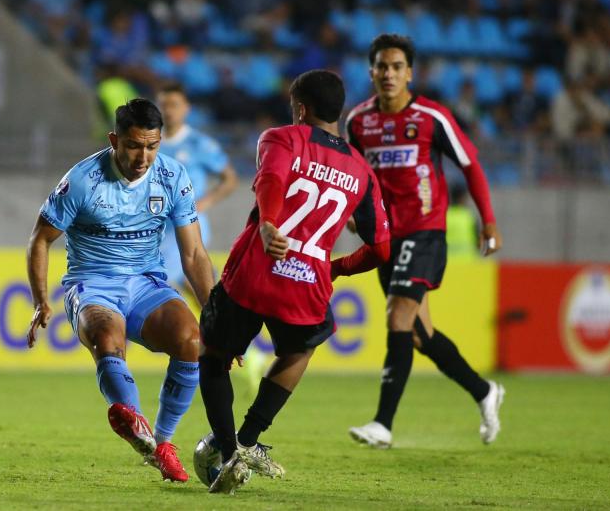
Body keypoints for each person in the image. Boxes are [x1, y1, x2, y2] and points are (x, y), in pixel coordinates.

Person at [199, 69, 391, 494]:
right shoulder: (362, 171)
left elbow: (272, 179)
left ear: (301, 109)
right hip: (308, 283)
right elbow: (381, 249)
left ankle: (230, 450)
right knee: (298, 351)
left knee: (213, 358)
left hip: (255, 270)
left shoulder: (281, 138)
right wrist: (335, 268)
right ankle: (249, 441)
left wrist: (269, 223)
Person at [26, 98, 215, 483]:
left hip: (147, 284)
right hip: (92, 284)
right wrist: (40, 300)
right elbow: (40, 240)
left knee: (192, 340)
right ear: (115, 140)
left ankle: (161, 444)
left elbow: (194, 253)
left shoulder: (173, 177)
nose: (143, 156)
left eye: (152, 145)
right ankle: (133, 421)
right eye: (133, 145)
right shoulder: (82, 180)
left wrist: (216, 314)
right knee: (106, 337)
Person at [345, 34, 505, 450]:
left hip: (426, 230)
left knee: (398, 317)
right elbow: (354, 177)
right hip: (385, 238)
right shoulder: (358, 122)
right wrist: (350, 213)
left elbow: (470, 165)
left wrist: (487, 221)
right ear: (371, 72)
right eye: (381, 66)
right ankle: (485, 391)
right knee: (418, 334)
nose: (389, 74)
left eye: (397, 66)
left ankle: (382, 423)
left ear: (410, 73)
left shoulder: (432, 117)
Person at [156, 82, 237, 294]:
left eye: (174, 104)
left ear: (186, 108)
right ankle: (222, 321)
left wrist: (206, 202)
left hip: (188, 224)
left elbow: (229, 178)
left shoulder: (199, 144)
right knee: (202, 290)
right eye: (164, 105)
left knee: (157, 281)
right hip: (159, 225)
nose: (168, 110)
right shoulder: (151, 143)